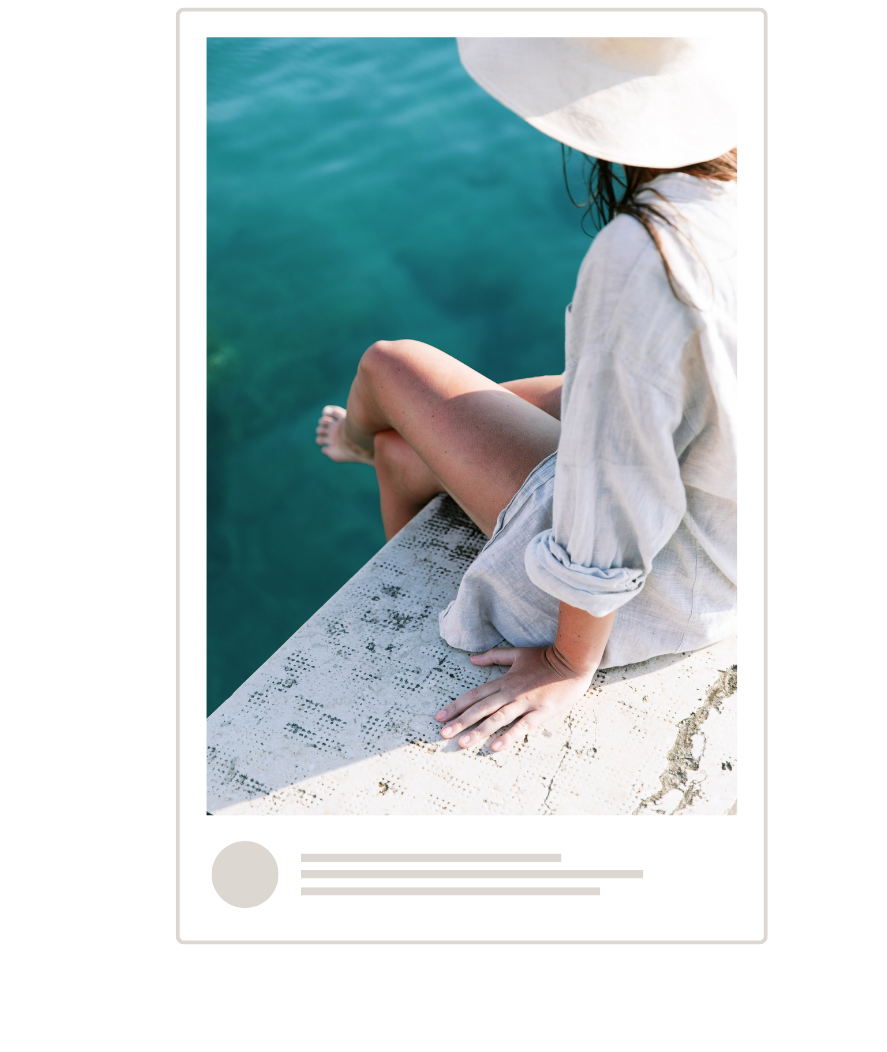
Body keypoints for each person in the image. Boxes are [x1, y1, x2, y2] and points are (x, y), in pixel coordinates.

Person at [315, 36, 737, 754]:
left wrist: (567, 660)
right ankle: (407, 453)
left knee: (391, 365)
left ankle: (365, 445)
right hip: (739, 521)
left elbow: (614, 496)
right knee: (512, 402)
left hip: (672, 584)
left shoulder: (648, 255)